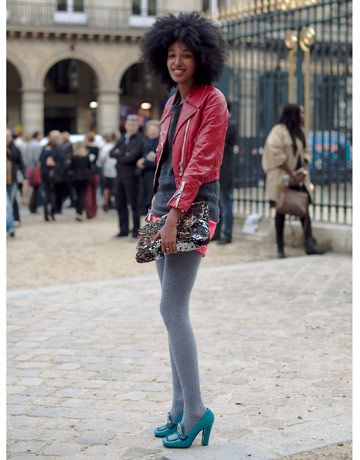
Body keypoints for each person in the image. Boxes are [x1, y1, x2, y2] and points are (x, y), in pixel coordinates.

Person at [140, 12, 228, 448]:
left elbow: (201, 165)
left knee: (173, 309)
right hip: (164, 208)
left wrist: (173, 215)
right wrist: (155, 210)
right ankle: (178, 407)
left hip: (191, 210)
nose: (177, 62)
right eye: (171, 55)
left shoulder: (212, 101)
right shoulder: (173, 102)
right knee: (168, 309)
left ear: (202, 58)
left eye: (186, 55)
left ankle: (196, 411)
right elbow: (164, 162)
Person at [262, 104, 324, 258]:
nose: (303, 115)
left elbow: (306, 151)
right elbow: (274, 151)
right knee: (281, 210)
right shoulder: (279, 131)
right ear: (293, 114)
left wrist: (303, 169)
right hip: (282, 178)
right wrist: (291, 174)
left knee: (304, 207)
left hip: (300, 178)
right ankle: (280, 248)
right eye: (301, 112)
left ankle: (309, 243)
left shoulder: (300, 132)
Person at [110, 115, 146, 238]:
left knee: (134, 205)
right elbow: (111, 152)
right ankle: (123, 230)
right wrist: (123, 154)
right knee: (120, 204)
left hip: (132, 177)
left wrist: (121, 154)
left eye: (134, 125)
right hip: (119, 176)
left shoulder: (140, 140)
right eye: (129, 124)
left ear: (137, 126)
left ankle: (135, 230)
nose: (131, 127)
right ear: (125, 125)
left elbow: (131, 157)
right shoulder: (121, 139)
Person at [217, 99, 237, 245]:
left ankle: (227, 234)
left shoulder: (230, 124)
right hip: (216, 169)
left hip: (225, 169)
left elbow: (218, 142)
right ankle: (217, 232)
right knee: (217, 203)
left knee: (226, 202)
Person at [137, 119, 159, 215]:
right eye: (150, 130)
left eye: (154, 130)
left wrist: (144, 162)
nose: (152, 132)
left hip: (155, 173)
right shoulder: (144, 141)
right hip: (143, 174)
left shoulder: (160, 142)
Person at [39, 130, 61, 222]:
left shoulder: (44, 148)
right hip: (51, 174)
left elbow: (40, 161)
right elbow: (50, 162)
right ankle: (51, 213)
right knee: (52, 194)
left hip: (44, 173)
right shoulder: (55, 149)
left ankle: (46, 213)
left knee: (46, 194)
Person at [6, 129, 26, 231]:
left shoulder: (14, 148)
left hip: (11, 179)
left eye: (8, 136)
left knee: (10, 201)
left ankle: (11, 224)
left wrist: (24, 176)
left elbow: (20, 162)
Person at [68, 141, 92, 222]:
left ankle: (78, 212)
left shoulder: (74, 156)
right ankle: (80, 212)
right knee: (82, 195)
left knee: (78, 195)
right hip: (85, 177)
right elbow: (90, 166)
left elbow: (70, 167)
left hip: (76, 177)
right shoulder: (86, 155)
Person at [97, 132, 118, 212]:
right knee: (115, 187)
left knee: (107, 187)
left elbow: (101, 159)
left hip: (107, 170)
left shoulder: (105, 147)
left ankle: (106, 203)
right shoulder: (115, 146)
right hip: (115, 169)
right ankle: (114, 202)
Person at [24, 131, 43, 213]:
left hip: (28, 168)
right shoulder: (37, 145)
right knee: (36, 188)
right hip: (35, 169)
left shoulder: (28, 144)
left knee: (33, 188)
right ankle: (33, 206)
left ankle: (32, 206)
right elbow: (37, 159)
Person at [84, 132, 100, 219]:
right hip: (95, 172)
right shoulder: (97, 148)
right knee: (94, 193)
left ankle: (89, 212)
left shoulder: (85, 148)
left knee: (88, 193)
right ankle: (94, 212)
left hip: (88, 172)